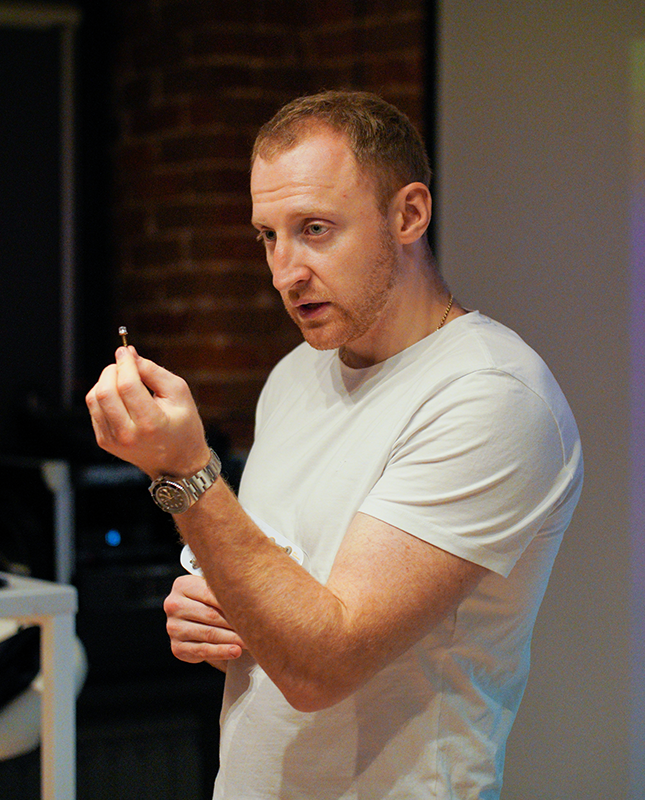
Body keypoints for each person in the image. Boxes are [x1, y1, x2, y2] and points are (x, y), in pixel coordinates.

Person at [86, 90, 583, 799]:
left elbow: (322, 665)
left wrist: (184, 470)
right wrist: (209, 613)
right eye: (269, 236)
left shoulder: (492, 395)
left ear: (408, 215)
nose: (285, 271)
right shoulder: (297, 373)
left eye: (315, 229)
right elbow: (276, 595)